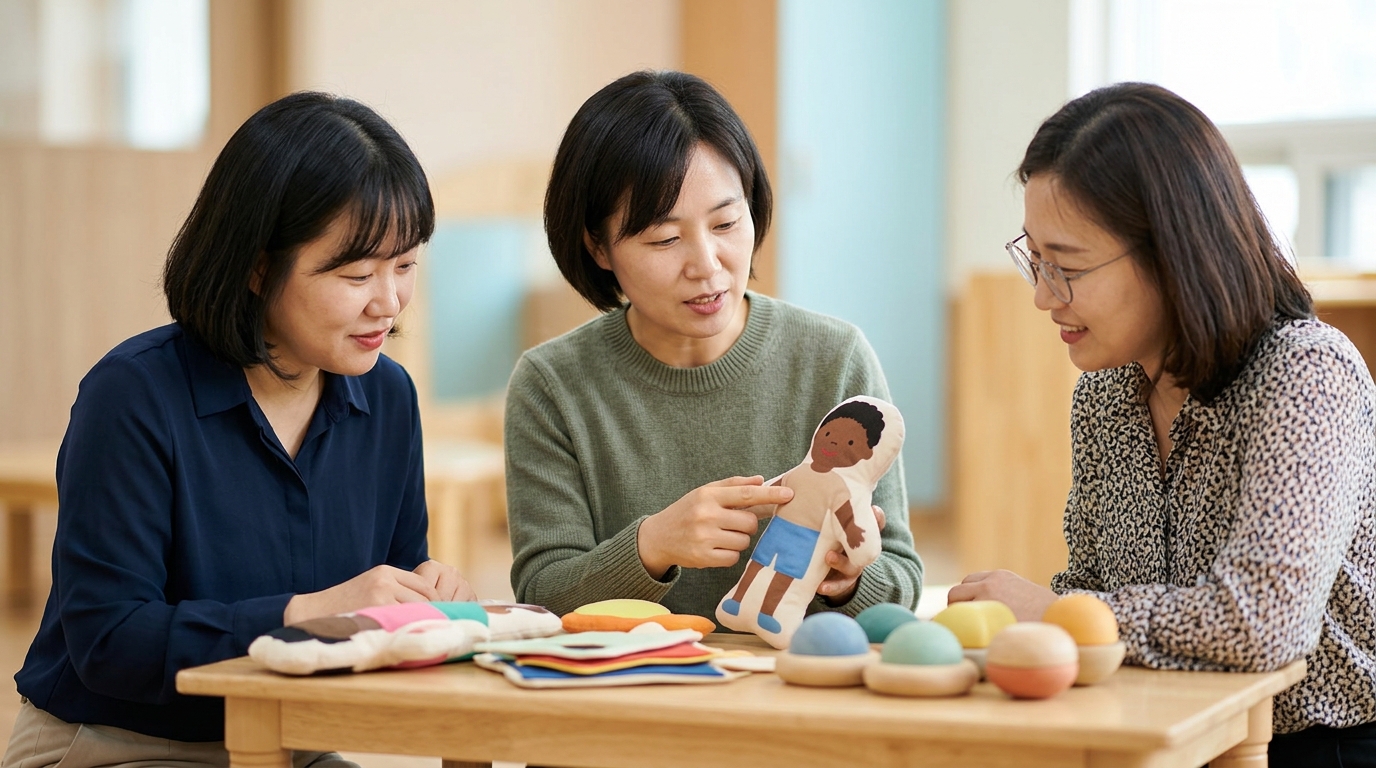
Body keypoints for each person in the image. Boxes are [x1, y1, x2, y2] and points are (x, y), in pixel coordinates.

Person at [3, 92, 473, 768]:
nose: (389, 302)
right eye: (356, 274)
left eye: (404, 266)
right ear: (258, 266)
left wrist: (427, 601)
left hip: (286, 741)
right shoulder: (133, 395)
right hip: (115, 745)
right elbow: (109, 640)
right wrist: (308, 612)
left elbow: (386, 593)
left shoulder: (388, 397)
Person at [946, 82, 1376, 762]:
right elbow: (1093, 593)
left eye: (1069, 266)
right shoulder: (1107, 396)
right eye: (1036, 259)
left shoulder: (1306, 375)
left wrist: (1059, 616)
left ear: (1173, 253)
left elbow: (1264, 622)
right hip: (1162, 735)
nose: (1041, 295)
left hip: (1318, 747)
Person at [505, 70, 922, 625]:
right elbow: (541, 594)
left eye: (726, 222)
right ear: (598, 246)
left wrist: (847, 581)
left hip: (789, 694)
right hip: (625, 697)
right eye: (665, 238)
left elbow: (902, 580)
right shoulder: (552, 384)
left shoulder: (834, 357)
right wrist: (652, 545)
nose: (707, 264)